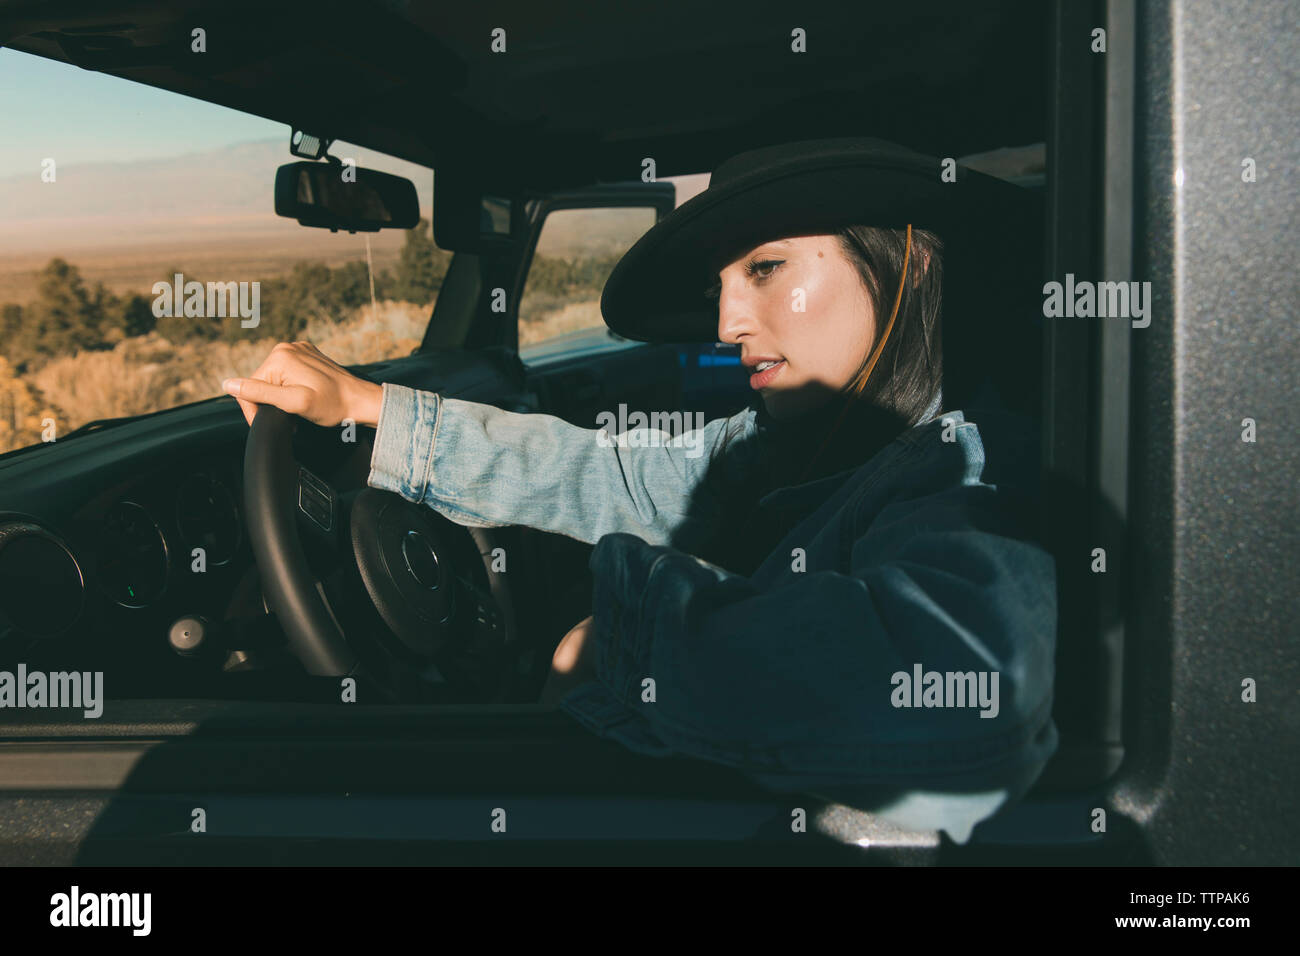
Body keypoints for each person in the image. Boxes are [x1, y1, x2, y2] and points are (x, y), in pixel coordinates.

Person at [222, 138, 1058, 844]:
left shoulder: (968, 470)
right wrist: (371, 409)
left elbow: (966, 696)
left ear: (905, 265)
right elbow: (614, 473)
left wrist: (620, 644)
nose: (728, 323)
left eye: (766, 270)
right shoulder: (783, 442)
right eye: (722, 287)